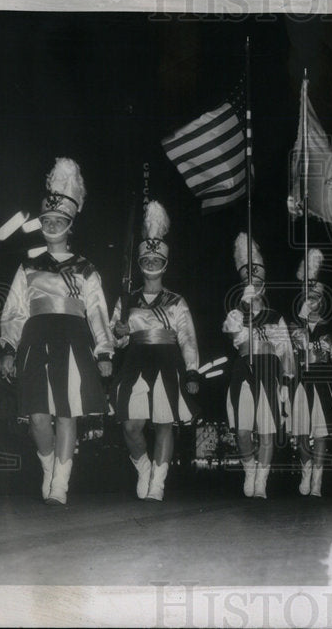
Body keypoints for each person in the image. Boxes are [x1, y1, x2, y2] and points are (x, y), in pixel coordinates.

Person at [0, 158, 113, 505]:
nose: (51, 225)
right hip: (35, 340)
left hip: (73, 341)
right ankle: (49, 467)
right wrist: (8, 347)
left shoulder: (85, 268)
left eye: (58, 221)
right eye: (46, 220)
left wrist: (105, 351)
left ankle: (60, 483)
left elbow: (98, 312)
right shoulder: (28, 265)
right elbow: (14, 310)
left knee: (66, 412)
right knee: (36, 418)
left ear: (69, 224)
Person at [110, 201, 200, 502]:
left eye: (155, 258)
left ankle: (158, 482)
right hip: (135, 362)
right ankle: (144, 466)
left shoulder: (176, 300)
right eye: (146, 258)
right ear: (140, 262)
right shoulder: (127, 299)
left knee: (164, 423)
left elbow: (187, 338)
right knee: (130, 425)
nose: (150, 262)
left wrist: (191, 370)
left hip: (167, 361)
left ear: (164, 262)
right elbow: (115, 338)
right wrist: (119, 334)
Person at [223, 233, 296, 499]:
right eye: (248, 282)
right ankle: (249, 468)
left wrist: (286, 381)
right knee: (243, 431)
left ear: (264, 286)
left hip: (269, 371)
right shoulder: (235, 314)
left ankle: (261, 480)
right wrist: (244, 309)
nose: (254, 287)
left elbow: (285, 350)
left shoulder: (276, 317)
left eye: (257, 283)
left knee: (267, 431)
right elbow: (234, 335)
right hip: (243, 370)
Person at [288, 249, 332, 497]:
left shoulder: (329, 329)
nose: (312, 302)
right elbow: (288, 357)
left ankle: (317, 480)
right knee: (301, 433)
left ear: (322, 301)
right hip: (301, 383)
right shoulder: (294, 327)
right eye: (308, 297)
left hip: (323, 383)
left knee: (322, 433)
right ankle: (306, 469)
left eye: (316, 298)